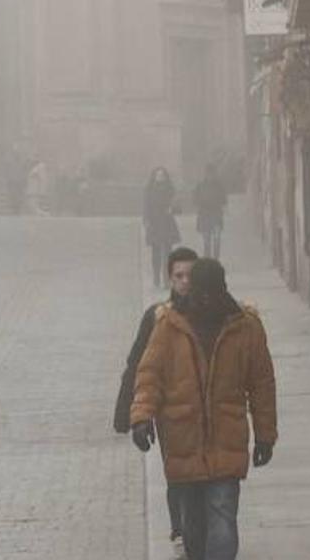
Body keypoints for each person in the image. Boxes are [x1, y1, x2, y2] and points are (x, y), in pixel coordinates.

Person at [130, 257, 278, 560]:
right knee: (192, 527)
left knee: (223, 520)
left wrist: (266, 435)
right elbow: (150, 375)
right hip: (183, 441)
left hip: (227, 441)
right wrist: (141, 417)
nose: (206, 299)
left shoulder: (245, 327)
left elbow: (262, 384)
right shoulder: (170, 326)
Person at [116, 246, 199, 553]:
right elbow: (139, 365)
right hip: (171, 415)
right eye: (179, 275)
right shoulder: (157, 316)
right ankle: (179, 531)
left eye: (190, 275)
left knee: (207, 476)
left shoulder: (214, 315)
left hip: (206, 413)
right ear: (170, 279)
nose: (185, 282)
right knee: (177, 473)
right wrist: (135, 415)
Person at [143, 168, 183, 286]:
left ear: (165, 177)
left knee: (168, 252)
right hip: (154, 223)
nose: (160, 177)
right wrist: (146, 220)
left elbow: (177, 206)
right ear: (154, 176)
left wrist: (172, 209)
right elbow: (146, 207)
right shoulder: (149, 190)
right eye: (158, 175)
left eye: (162, 175)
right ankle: (156, 277)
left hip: (167, 222)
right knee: (155, 252)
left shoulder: (170, 189)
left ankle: (167, 279)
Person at [193, 164, 228, 258]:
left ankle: (216, 260)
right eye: (208, 173)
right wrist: (200, 205)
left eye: (212, 173)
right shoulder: (200, 185)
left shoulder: (219, 186)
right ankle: (208, 260)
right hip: (204, 215)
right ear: (205, 174)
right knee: (206, 240)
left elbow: (224, 200)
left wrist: (221, 206)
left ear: (214, 174)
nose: (210, 176)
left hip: (216, 215)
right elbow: (195, 199)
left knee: (217, 239)